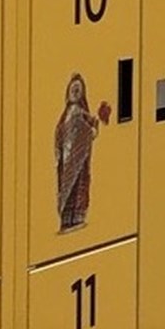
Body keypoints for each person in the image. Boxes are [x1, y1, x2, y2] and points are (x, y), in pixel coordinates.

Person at [55, 73, 110, 232]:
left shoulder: (79, 112)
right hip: (67, 161)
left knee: (79, 186)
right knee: (67, 189)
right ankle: (67, 218)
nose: (75, 92)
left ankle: (76, 217)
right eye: (73, 89)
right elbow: (62, 132)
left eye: (78, 89)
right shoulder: (69, 113)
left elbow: (90, 126)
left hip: (79, 160)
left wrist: (98, 120)